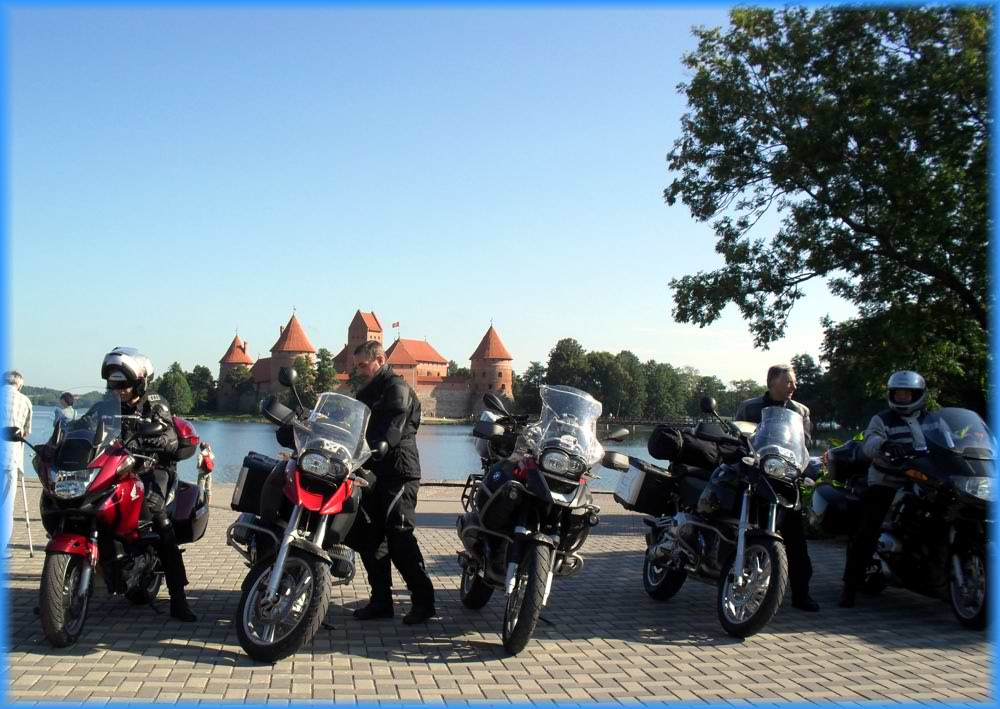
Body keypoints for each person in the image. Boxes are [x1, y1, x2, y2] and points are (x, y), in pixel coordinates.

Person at [52, 348, 197, 621]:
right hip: (115, 468)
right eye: (113, 384)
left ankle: (179, 598)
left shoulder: (155, 403)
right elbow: (82, 425)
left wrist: (155, 438)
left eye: (123, 385)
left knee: (160, 521)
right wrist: (60, 440)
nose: (117, 390)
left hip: (151, 469)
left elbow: (169, 434)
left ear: (139, 383)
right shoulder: (105, 405)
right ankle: (57, 589)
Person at [346, 340, 436, 624]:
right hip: (372, 471)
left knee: (399, 535)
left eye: (363, 365)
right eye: (357, 366)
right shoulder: (366, 392)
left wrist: (384, 442)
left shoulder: (397, 388)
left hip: (399, 470)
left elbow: (396, 424)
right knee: (369, 536)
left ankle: (424, 601)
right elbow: (352, 426)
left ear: (380, 359)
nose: (360, 370)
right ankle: (381, 602)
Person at [839, 370, 931, 608]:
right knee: (868, 529)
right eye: (898, 393)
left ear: (918, 395)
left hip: (924, 481)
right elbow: (870, 442)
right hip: (888, 481)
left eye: (907, 393)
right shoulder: (882, 419)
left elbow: (950, 439)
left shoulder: (933, 420)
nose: (902, 397)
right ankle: (850, 585)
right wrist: (885, 444)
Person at [734, 364, 819, 612]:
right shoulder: (749, 407)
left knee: (795, 538)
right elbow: (737, 440)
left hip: (786, 480)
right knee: (742, 527)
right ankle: (736, 578)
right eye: (788, 381)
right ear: (772, 382)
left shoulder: (800, 411)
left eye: (794, 382)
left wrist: (802, 469)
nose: (794, 386)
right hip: (756, 478)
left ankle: (801, 594)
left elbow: (804, 444)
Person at [1, 371, 32, 559]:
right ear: (19, 385)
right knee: (5, 506)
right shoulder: (25, 401)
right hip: (9, 458)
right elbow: (25, 432)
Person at [196, 442, 215, 506]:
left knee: (200, 488)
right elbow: (213, 457)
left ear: (200, 448)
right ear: (206, 447)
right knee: (208, 488)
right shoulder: (209, 454)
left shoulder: (200, 454)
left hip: (202, 473)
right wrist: (210, 450)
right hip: (209, 473)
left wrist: (197, 467)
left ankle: (200, 502)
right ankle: (209, 503)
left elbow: (199, 465)